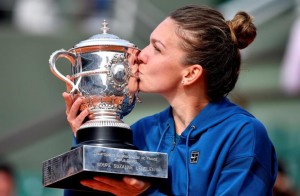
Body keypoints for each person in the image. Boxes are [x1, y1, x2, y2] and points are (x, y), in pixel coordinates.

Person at [63, 5, 278, 196]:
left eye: (157, 48)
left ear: (190, 74)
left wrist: (145, 193)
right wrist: (88, 138)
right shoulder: (141, 132)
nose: (140, 55)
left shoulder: (243, 134)